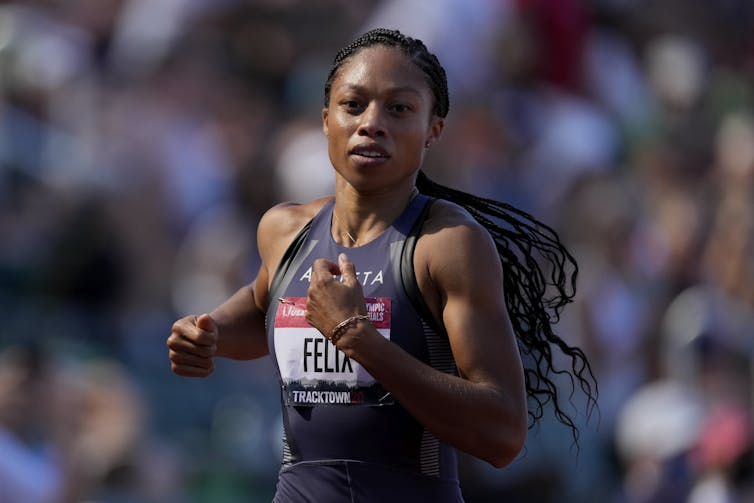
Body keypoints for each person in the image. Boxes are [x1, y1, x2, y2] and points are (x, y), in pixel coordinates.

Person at [167, 28, 596, 502]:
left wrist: (357, 337)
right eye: (353, 105)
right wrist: (210, 332)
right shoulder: (283, 230)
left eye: (399, 108)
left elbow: (502, 433)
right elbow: (263, 305)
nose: (372, 123)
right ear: (325, 119)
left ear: (434, 128)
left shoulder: (446, 244)